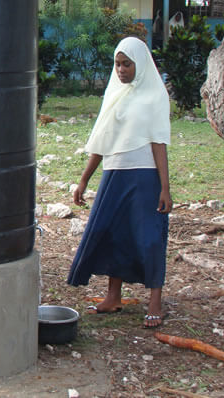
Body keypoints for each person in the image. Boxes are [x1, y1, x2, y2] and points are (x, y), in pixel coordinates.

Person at [66, 36, 172, 328]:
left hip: (145, 176)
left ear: (140, 64)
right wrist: (84, 180)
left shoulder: (155, 96)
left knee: (149, 238)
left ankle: (155, 301)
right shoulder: (115, 95)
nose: (121, 70)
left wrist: (164, 187)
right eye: (117, 64)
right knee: (113, 233)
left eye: (127, 64)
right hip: (114, 173)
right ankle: (113, 297)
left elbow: (159, 143)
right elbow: (102, 141)